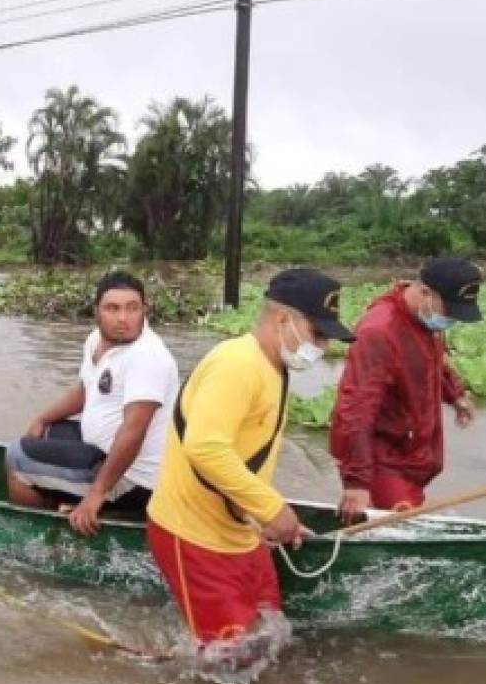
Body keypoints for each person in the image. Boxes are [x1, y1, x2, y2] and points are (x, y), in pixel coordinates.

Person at [148, 268, 355, 648]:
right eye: (318, 334)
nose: (323, 348)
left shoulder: (273, 366)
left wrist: (268, 519)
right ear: (282, 319)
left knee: (269, 632)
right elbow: (205, 447)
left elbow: (249, 456)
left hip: (241, 531)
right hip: (194, 535)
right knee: (227, 658)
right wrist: (273, 509)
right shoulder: (238, 363)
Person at [6, 271, 180, 537]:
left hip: (134, 477)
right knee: (49, 432)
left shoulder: (149, 357)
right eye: (113, 308)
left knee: (17, 457)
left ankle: (46, 535)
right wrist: (43, 418)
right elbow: (86, 390)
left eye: (132, 308)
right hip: (101, 449)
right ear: (97, 311)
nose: (123, 318)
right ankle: (67, 505)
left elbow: (134, 431)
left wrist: (96, 495)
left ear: (145, 310)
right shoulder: (96, 340)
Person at [331, 257, 482, 519]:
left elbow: (432, 362)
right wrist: (356, 482)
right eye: (449, 312)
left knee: (404, 520)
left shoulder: (423, 320)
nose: (451, 320)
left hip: (411, 454)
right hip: (384, 460)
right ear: (425, 293)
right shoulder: (379, 331)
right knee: (401, 527)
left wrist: (455, 394)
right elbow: (356, 408)